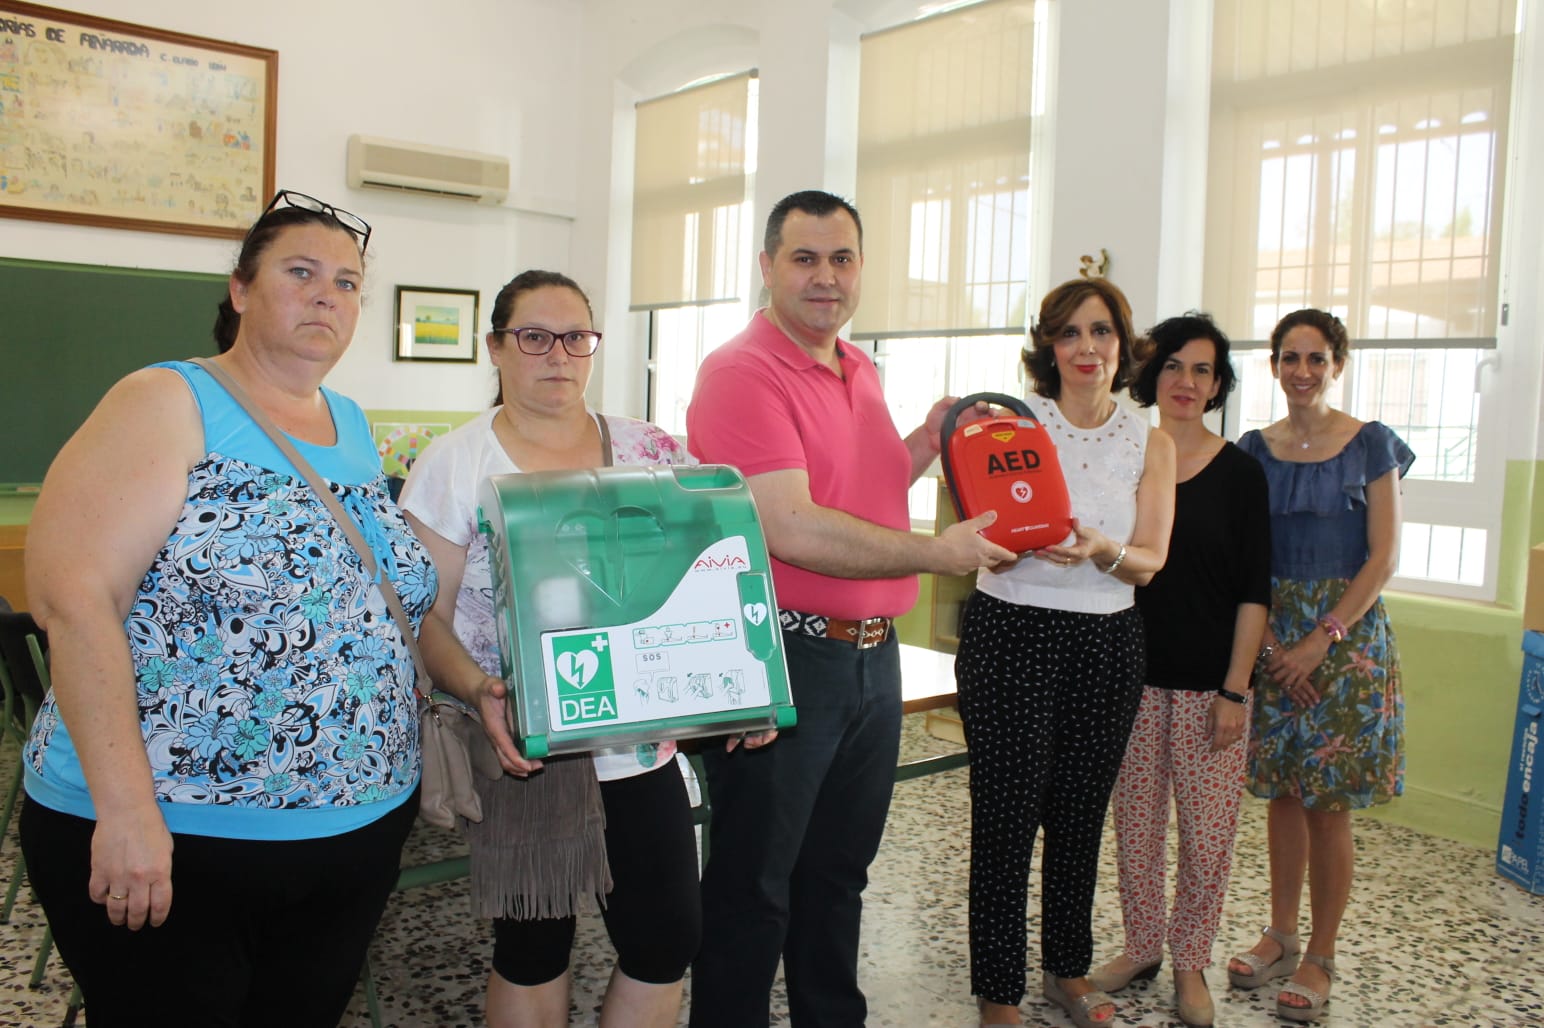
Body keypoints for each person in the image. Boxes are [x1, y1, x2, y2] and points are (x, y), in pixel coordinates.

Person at [18, 191, 435, 1027]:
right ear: (241, 290)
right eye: (302, 272)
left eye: (348, 283)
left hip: (353, 830)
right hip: (176, 835)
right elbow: (73, 597)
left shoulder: (351, 423)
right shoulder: (168, 400)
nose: (328, 295)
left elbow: (390, 598)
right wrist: (129, 815)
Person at [685, 189, 1017, 1027]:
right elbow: (791, 527)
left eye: (842, 259)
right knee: (753, 888)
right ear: (767, 268)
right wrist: (937, 555)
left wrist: (925, 438)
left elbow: (856, 496)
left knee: (837, 876)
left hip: (873, 660)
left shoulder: (856, 365)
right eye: (804, 258)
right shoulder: (740, 372)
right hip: (785, 658)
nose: (825, 277)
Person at [399, 269, 716, 1028]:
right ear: (496, 349)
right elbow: (424, 621)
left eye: (577, 337)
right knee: (534, 945)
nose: (558, 355)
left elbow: (701, 585)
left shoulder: (649, 448)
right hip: (523, 746)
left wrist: (733, 688)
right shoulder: (456, 462)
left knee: (666, 939)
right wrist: (479, 689)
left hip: (639, 748)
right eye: (534, 337)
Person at [955, 277, 1176, 1028]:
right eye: (1071, 333)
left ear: (1125, 343)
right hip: (1012, 632)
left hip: (1108, 640)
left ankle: (1067, 971)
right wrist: (1009, 548)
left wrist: (1102, 550)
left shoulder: (1153, 439)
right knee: (1007, 818)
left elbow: (1152, 559)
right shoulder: (1012, 424)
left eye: (1102, 332)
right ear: (1049, 346)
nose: (1087, 348)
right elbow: (975, 529)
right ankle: (997, 989)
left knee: (1080, 816)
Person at [1228, 309, 1411, 1023]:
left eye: (1316, 357)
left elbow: (1384, 557)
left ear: (1338, 363)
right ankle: (1279, 932)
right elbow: (1246, 558)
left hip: (1347, 644)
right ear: (1274, 365)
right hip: (1270, 638)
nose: (1302, 370)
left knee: (1327, 806)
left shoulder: (1370, 446)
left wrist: (1322, 637)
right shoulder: (1252, 450)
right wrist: (1273, 648)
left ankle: (1321, 953)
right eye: (1289, 357)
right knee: (1280, 795)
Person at [1088, 313, 1270, 1028]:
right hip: (1130, 677)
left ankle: (1190, 959)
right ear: (1149, 373)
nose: (1186, 382)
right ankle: (1141, 946)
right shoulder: (1128, 453)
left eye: (1202, 370)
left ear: (1218, 383)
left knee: (1206, 834)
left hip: (1211, 688)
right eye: (1173, 366)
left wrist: (1236, 688)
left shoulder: (1241, 474)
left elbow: (1256, 591)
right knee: (1135, 828)